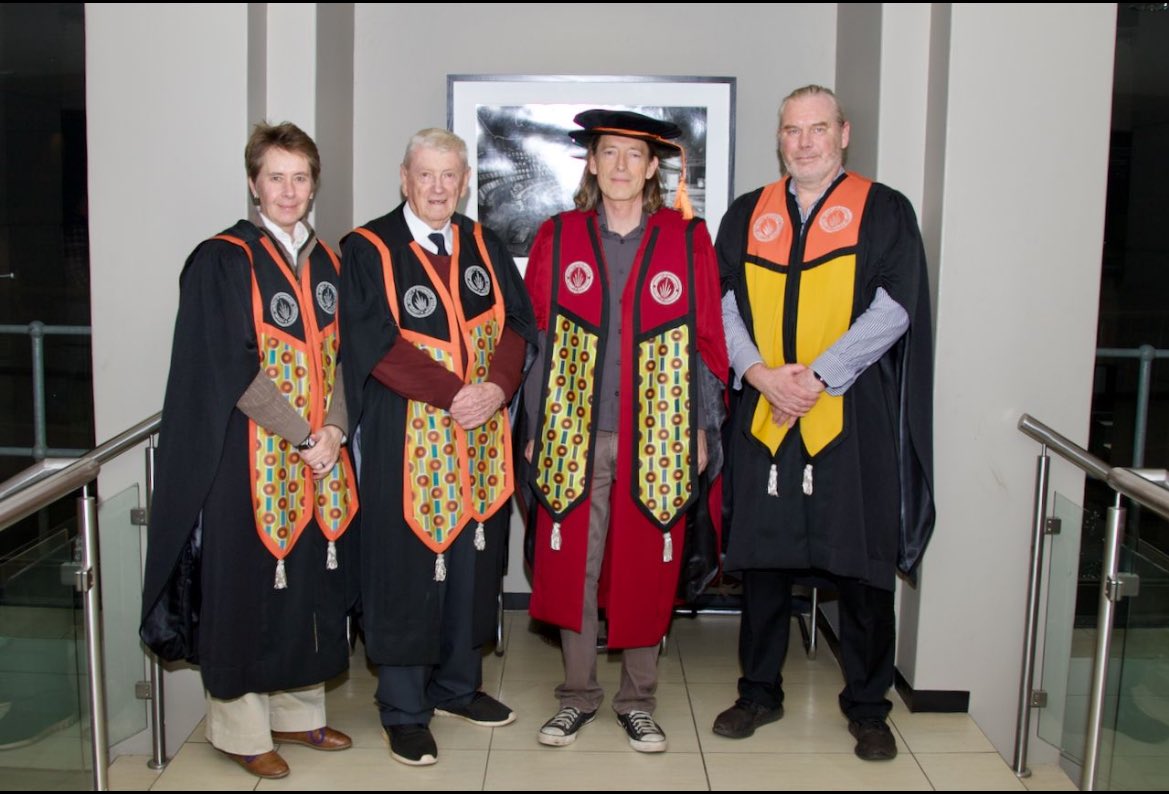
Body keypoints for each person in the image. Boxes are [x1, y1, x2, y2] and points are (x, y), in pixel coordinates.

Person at [711, 85, 935, 761]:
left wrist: (816, 377)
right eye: (790, 130)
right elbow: (720, 302)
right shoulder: (749, 212)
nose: (802, 142)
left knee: (861, 567)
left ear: (842, 134)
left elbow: (895, 304)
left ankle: (867, 706)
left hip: (849, 410)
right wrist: (758, 375)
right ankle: (757, 691)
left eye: (816, 129)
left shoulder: (882, 209)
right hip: (764, 411)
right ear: (778, 138)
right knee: (762, 563)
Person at [140, 122, 358, 780]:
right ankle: (239, 729)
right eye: (275, 177)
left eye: (300, 178)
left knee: (306, 580)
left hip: (319, 452)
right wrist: (301, 435)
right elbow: (229, 366)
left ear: (313, 184)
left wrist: (335, 432)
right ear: (253, 183)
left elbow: (345, 357)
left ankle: (297, 714)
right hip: (243, 457)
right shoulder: (223, 259)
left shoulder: (328, 262)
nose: (288, 190)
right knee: (246, 585)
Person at [524, 110, 727, 753]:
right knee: (571, 567)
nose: (619, 166)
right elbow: (534, 340)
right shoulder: (558, 237)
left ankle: (638, 701)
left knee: (648, 566)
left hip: (659, 431)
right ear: (591, 162)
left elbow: (704, 344)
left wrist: (700, 427)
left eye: (633, 156)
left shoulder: (685, 239)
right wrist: (531, 425)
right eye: (608, 153)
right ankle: (577, 697)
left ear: (650, 168)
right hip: (570, 431)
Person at [340, 128, 535, 767]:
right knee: (406, 566)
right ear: (404, 178)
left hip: (478, 440)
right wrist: (455, 393)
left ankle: (457, 686)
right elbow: (370, 341)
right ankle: (403, 707)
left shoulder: (484, 243)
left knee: (473, 561)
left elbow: (517, 323)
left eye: (450, 175)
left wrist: (498, 387)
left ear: (465, 179)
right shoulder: (368, 248)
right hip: (406, 437)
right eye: (425, 175)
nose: (438, 188)